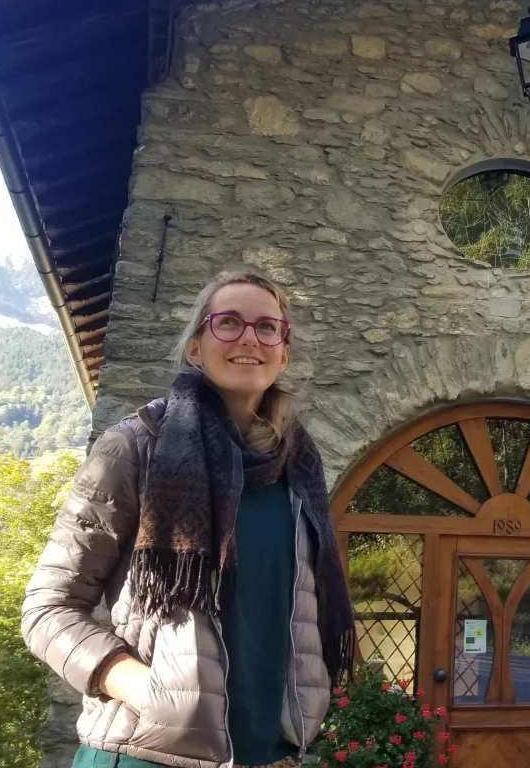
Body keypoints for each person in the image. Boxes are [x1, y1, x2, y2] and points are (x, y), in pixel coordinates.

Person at [22, 270, 355, 768]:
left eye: (267, 328)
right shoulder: (135, 448)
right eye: (228, 323)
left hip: (275, 755)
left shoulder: (298, 465)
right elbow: (48, 610)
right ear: (196, 347)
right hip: (147, 754)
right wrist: (144, 688)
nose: (249, 338)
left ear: (283, 353)